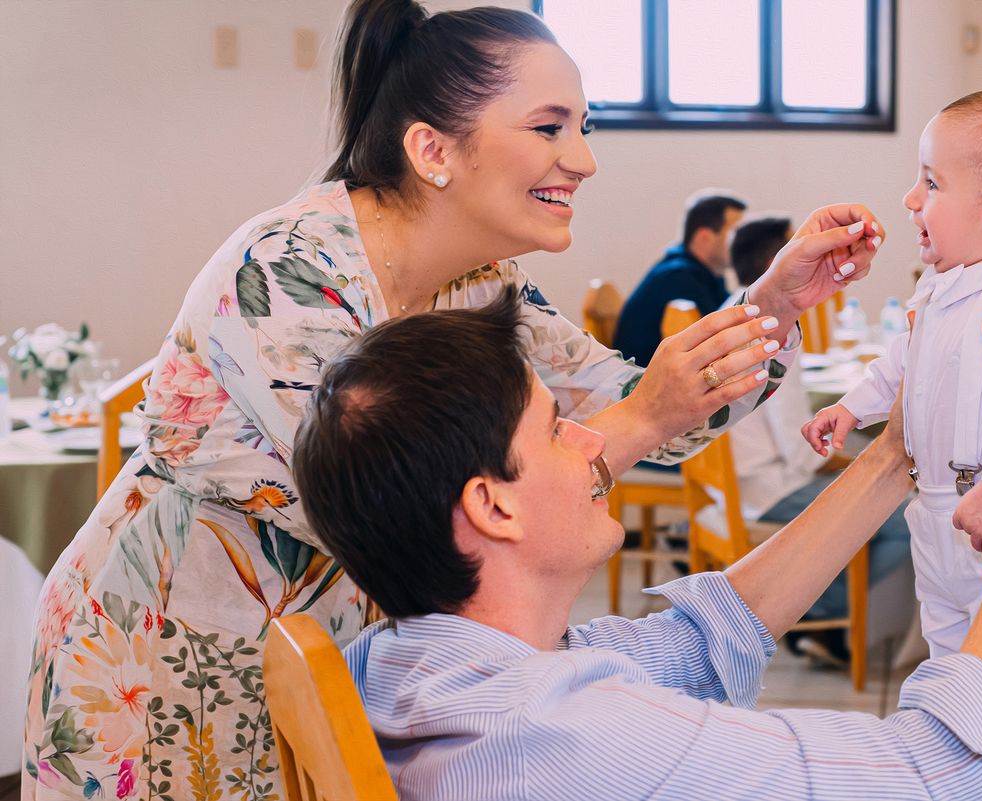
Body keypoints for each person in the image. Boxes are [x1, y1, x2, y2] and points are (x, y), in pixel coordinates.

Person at [21, 3, 887, 798]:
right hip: (160, 655)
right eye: (549, 128)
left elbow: (640, 412)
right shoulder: (288, 272)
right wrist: (642, 416)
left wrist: (772, 304)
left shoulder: (480, 287)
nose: (583, 159)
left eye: (584, 128)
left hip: (332, 655)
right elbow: (422, 510)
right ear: (432, 150)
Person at [293, 289, 982, 800]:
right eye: (553, 428)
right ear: (493, 507)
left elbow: (706, 640)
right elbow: (954, 775)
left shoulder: (400, 662)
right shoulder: (567, 734)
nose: (588, 441)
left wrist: (891, 457)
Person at [803, 83, 982, 800]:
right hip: (938, 515)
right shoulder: (939, 291)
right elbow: (901, 364)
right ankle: (965, 782)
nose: (910, 199)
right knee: (949, 669)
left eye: (931, 182)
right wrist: (854, 406)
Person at [725, 216, 912, 662]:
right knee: (905, 517)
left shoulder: (733, 316)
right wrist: (860, 465)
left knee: (878, 481)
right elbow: (799, 449)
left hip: (742, 479)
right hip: (768, 486)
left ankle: (827, 613)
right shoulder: (771, 334)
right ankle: (814, 614)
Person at [612, 193, 746, 368]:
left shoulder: (709, 276)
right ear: (704, 237)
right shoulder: (679, 278)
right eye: (736, 232)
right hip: (643, 382)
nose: (744, 241)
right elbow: (722, 344)